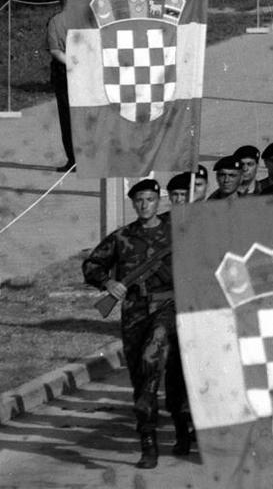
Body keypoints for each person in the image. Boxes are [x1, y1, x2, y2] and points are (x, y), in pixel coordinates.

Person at [82, 179, 190, 468]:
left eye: (150, 200)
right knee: (142, 378)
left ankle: (182, 429)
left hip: (168, 306)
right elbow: (92, 265)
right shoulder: (122, 237)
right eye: (139, 200)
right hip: (134, 310)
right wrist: (109, 283)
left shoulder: (175, 228)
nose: (145, 205)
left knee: (155, 358)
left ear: (159, 201)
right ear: (133, 203)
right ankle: (148, 441)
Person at [46, 10, 74, 171]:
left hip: (64, 70)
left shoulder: (55, 21)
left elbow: (55, 50)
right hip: (88, 68)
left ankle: (73, 158)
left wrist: (71, 64)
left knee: (67, 115)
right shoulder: (89, 18)